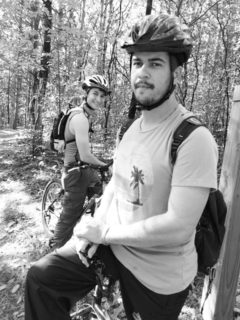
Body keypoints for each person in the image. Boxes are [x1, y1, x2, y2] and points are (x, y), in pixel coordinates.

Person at [25, 13, 218, 320]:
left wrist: (108, 233)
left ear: (174, 73)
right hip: (114, 247)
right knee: (41, 280)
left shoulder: (194, 138)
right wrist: (93, 231)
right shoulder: (130, 130)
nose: (143, 72)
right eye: (137, 62)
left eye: (155, 63)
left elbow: (179, 226)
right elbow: (115, 186)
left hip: (158, 275)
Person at [49, 75, 111, 249]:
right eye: (95, 93)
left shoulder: (83, 114)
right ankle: (55, 250)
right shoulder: (81, 119)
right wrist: (106, 164)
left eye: (102, 96)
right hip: (75, 172)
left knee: (100, 194)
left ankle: (88, 232)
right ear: (87, 93)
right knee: (70, 215)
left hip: (83, 169)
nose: (98, 99)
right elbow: (84, 155)